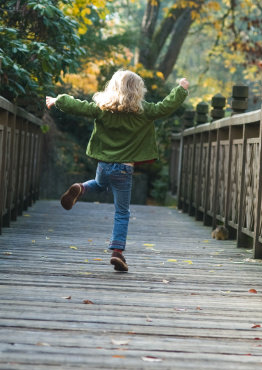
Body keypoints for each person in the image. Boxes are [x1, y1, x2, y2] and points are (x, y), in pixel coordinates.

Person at [45, 70, 189, 272]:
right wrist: (180, 90)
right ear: (138, 91)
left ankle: (80, 187)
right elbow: (166, 107)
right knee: (122, 212)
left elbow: (77, 106)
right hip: (124, 170)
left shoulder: (102, 108)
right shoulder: (144, 111)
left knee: (100, 183)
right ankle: (117, 252)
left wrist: (57, 100)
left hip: (104, 164)